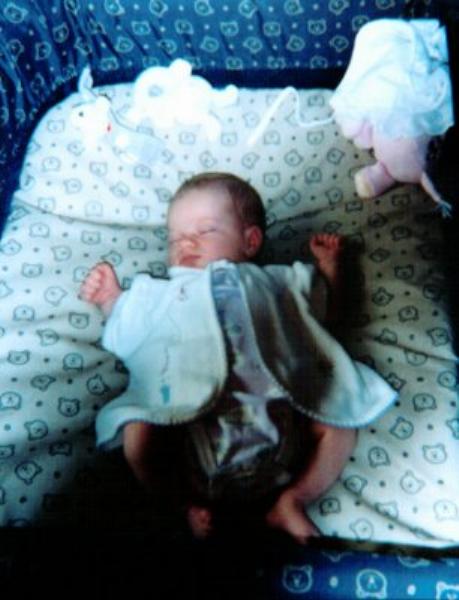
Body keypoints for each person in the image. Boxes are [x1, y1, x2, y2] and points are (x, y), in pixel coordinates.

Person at [80, 172, 396, 544]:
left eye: (204, 230)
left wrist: (331, 271)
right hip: (193, 436)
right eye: (174, 237)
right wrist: (111, 301)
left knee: (340, 423)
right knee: (138, 434)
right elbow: (126, 327)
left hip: (284, 430)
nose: (186, 243)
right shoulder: (158, 293)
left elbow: (327, 312)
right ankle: (184, 505)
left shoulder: (278, 280)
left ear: (250, 241)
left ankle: (293, 500)